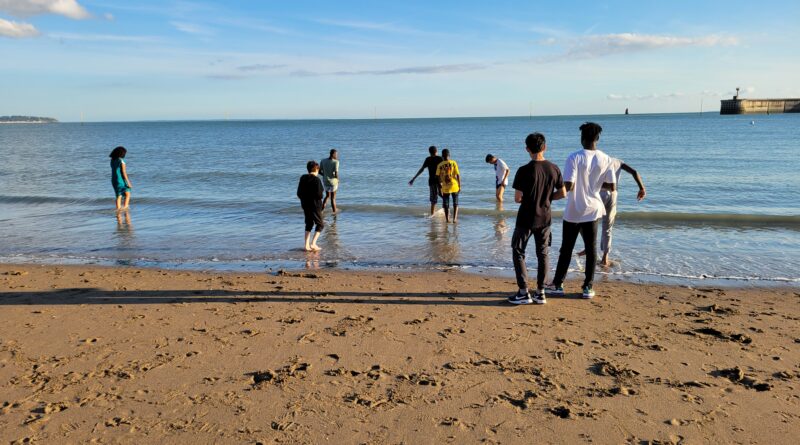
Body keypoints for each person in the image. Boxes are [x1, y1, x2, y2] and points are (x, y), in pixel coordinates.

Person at [548, 122, 616, 299]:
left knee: (566, 249)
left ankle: (558, 284)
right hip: (593, 209)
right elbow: (612, 186)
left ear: (582, 138)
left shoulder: (574, 157)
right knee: (591, 249)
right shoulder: (606, 159)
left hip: (574, 209)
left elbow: (568, 185)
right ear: (598, 138)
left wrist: (549, 195)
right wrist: (595, 183)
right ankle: (587, 287)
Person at [508, 133, 566, 305]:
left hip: (526, 217)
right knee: (543, 254)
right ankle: (540, 292)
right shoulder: (554, 168)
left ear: (527, 149)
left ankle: (524, 291)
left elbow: (518, 198)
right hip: (545, 217)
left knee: (518, 251)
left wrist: (532, 199)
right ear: (545, 147)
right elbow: (563, 193)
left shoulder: (523, 170)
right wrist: (547, 199)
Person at [578, 158, 646, 266]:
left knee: (584, 221)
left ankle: (588, 247)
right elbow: (634, 172)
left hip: (598, 194)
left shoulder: (598, 160)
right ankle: (605, 258)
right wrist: (642, 188)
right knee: (607, 227)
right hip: (613, 195)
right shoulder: (618, 162)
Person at [297, 161, 325, 252]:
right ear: (316, 169)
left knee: (309, 223)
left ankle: (306, 245)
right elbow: (320, 195)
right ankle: (313, 243)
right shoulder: (317, 180)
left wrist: (304, 199)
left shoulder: (303, 178)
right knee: (320, 224)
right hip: (315, 205)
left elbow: (299, 193)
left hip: (305, 204)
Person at [409, 146, 444, 215]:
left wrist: (413, 178)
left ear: (429, 152)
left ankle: (432, 214)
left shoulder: (428, 159)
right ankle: (446, 208)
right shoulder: (440, 158)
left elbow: (422, 169)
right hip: (440, 180)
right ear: (436, 151)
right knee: (442, 194)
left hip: (432, 181)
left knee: (433, 199)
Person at [436, 149, 461, 223]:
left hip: (445, 187)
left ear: (442, 156)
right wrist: (460, 185)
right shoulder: (453, 163)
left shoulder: (440, 165)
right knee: (455, 203)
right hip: (454, 186)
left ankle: (447, 219)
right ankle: (455, 219)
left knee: (446, 204)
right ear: (449, 155)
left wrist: (439, 187)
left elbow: (437, 177)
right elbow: (458, 175)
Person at [109, 146, 132, 211]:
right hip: (120, 180)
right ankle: (125, 208)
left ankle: (118, 210)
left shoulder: (112, 160)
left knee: (118, 195)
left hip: (114, 180)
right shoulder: (121, 161)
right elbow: (124, 173)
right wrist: (128, 182)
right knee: (128, 193)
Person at [320, 149, 340, 213]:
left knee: (327, 196)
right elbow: (336, 173)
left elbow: (319, 171)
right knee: (333, 198)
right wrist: (338, 180)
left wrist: (325, 175)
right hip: (333, 182)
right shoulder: (336, 162)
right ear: (333, 154)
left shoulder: (323, 161)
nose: (337, 156)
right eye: (336, 154)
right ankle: (334, 212)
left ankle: (321, 210)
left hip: (326, 181)